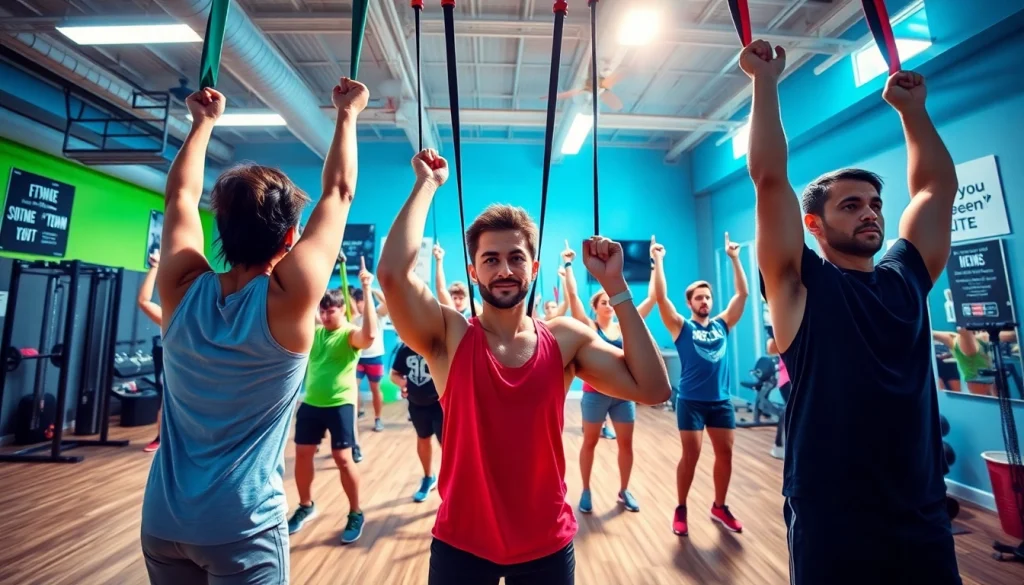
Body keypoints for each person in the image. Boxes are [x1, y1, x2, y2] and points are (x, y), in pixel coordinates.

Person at [378, 149, 671, 584]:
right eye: (491, 259)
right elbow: (393, 276)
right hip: (462, 542)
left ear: (533, 268)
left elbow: (654, 390)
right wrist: (426, 184)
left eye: (516, 258)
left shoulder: (566, 338)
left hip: (545, 544)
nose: (504, 270)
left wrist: (616, 285)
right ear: (475, 272)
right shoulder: (450, 336)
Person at [743, 38, 961, 584]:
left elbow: (936, 190)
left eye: (875, 205)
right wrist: (764, 83)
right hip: (833, 519)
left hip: (921, 510)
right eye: (850, 205)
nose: (870, 214)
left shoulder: (906, 279)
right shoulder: (800, 287)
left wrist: (913, 112)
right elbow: (770, 180)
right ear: (812, 225)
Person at [140, 78, 368, 584]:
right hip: (240, 526)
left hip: (161, 520)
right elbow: (339, 192)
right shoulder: (288, 301)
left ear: (218, 231)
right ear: (290, 237)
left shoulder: (179, 286)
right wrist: (347, 115)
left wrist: (202, 125)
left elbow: (180, 194)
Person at [651, 232, 748, 536]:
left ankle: (719, 506)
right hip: (691, 401)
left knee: (726, 454)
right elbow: (662, 299)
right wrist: (658, 261)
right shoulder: (682, 326)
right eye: (699, 298)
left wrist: (735, 259)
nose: (705, 301)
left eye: (708, 297)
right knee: (690, 456)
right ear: (690, 303)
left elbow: (742, 295)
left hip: (720, 402)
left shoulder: (722, 324)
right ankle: (681, 507)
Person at [560, 241, 656, 515]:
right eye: (604, 302)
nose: (609, 305)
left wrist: (654, 263)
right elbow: (574, 296)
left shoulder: (623, 327)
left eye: (610, 301)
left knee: (626, 444)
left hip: (623, 397)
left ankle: (624, 490)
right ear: (596, 307)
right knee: (590, 442)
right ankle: (587, 490)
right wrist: (568, 265)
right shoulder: (589, 327)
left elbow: (652, 299)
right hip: (594, 396)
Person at [390, 341, 443, 502]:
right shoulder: (405, 349)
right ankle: (428, 477)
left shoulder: (440, 347)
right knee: (423, 438)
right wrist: (404, 384)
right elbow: (394, 374)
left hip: (440, 404)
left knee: (447, 445)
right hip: (417, 405)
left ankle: (452, 485)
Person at [137, 249, 164, 453]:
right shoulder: (174, 318)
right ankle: (161, 438)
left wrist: (155, 266)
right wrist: (155, 266)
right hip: (171, 360)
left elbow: (144, 301)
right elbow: (144, 302)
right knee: (166, 398)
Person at [351, 284, 388, 433]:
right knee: (353, 387)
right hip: (358, 358)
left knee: (375, 390)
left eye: (363, 301)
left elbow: (387, 303)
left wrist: (371, 290)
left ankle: (378, 418)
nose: (360, 305)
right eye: (357, 302)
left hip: (374, 358)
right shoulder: (353, 318)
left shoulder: (377, 315)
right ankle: (356, 413)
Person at [765, 323, 791, 460]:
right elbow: (770, 347)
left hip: (802, 377)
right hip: (788, 378)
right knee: (791, 409)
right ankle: (779, 447)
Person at [433, 242, 477, 317]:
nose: (457, 301)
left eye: (461, 298)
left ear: (467, 299)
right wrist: (439, 260)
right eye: (455, 298)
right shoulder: (452, 314)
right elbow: (441, 289)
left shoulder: (475, 311)